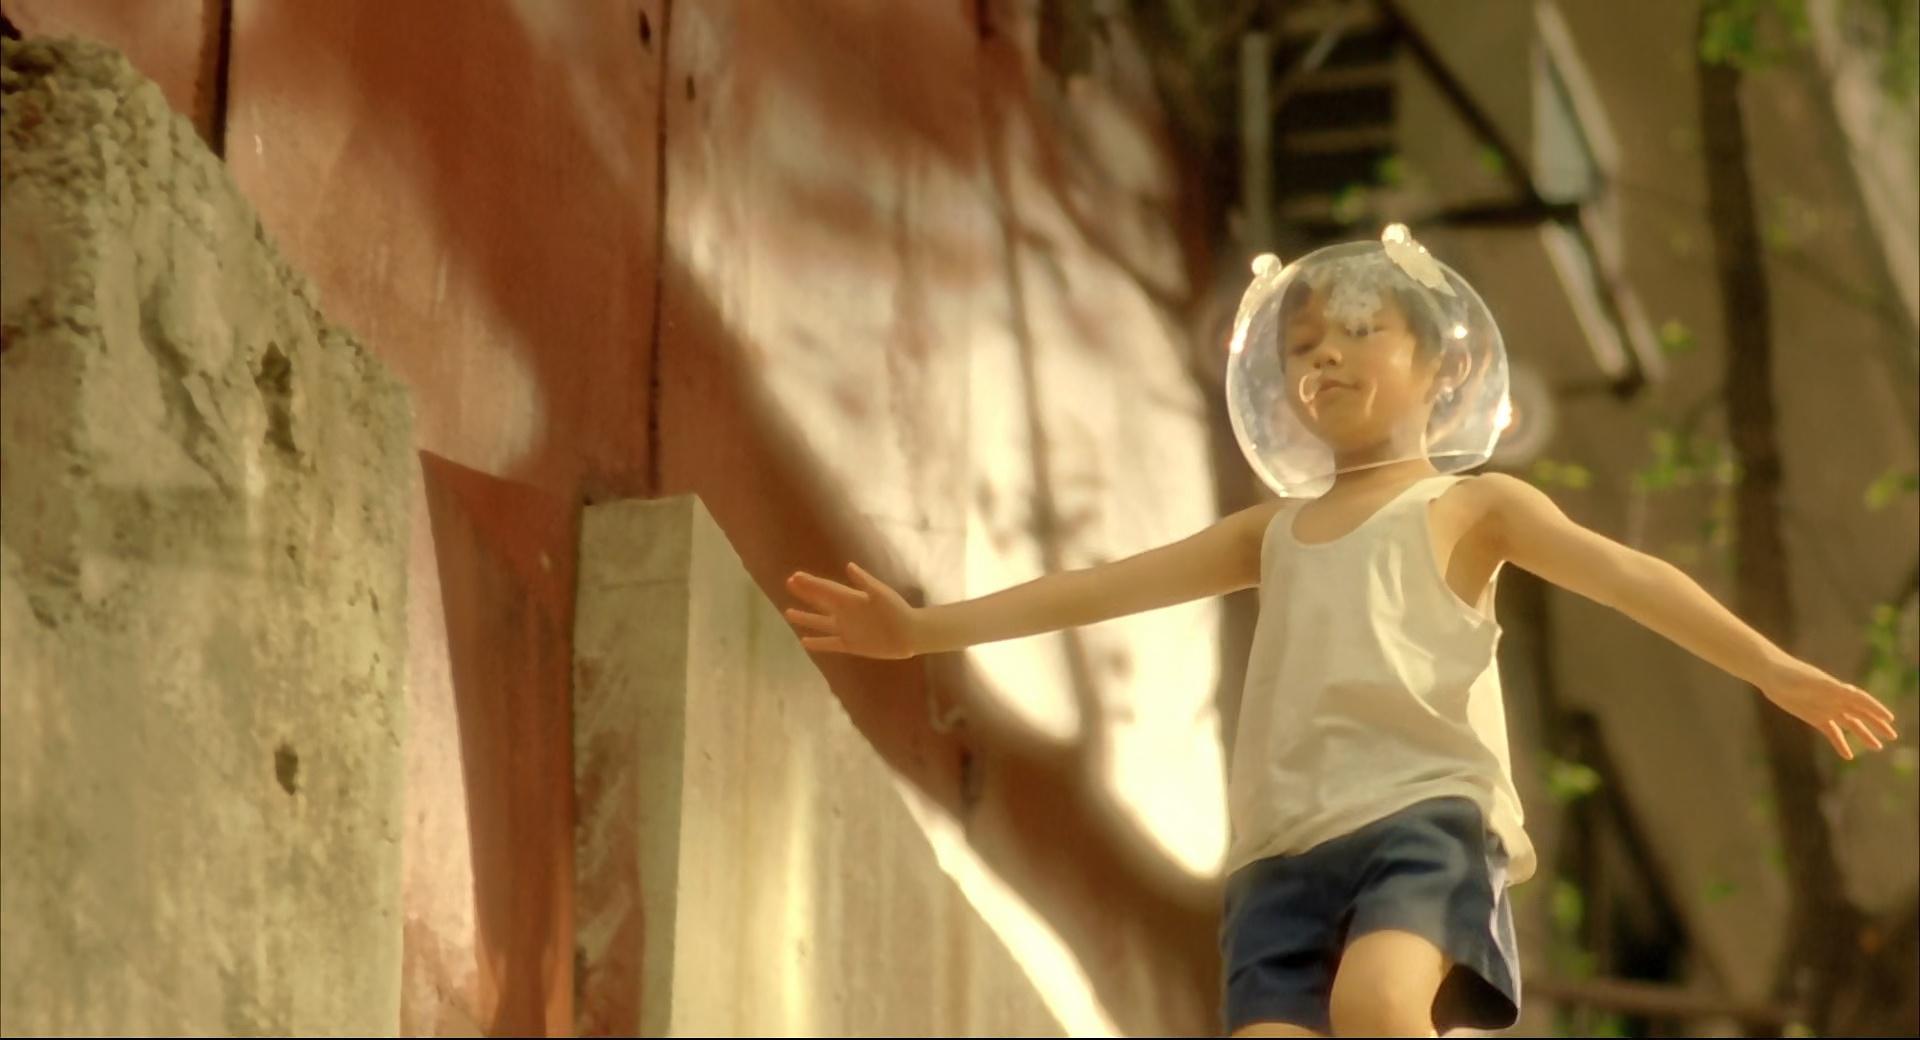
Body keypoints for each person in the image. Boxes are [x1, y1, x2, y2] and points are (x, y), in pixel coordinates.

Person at [780, 225, 1900, 1038]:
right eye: (1304, 347)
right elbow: (1103, 585)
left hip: (1421, 817)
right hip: (1279, 851)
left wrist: (1774, 668)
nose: (1323, 359)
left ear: (1442, 365)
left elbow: (1628, 577)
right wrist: (923, 629)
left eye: (1359, 332)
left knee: (1376, 1008)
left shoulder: (1472, 506)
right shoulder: (1272, 532)